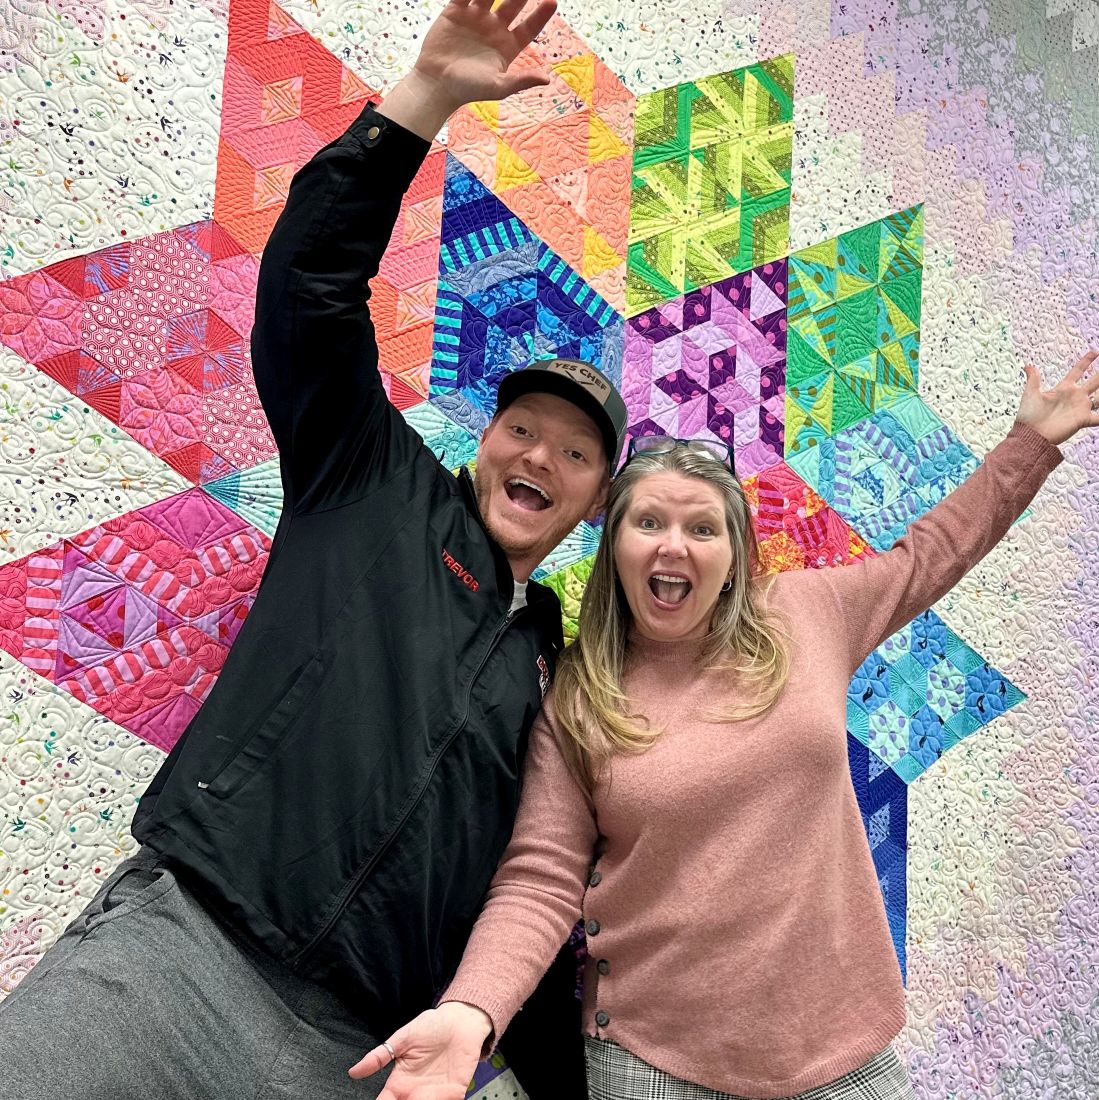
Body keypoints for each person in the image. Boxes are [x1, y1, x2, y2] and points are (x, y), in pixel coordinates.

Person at [0, 1, 626, 1096]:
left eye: (573, 453)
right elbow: (307, 296)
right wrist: (419, 102)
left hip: (357, 1059)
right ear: (482, 445)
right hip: (180, 960)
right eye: (521, 428)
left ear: (592, 503)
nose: (539, 454)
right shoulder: (370, 479)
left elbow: (535, 888)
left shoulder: (560, 674)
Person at [351, 350, 1099, 1100]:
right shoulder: (576, 696)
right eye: (647, 521)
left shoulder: (807, 614)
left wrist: (1028, 445)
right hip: (649, 1059)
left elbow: (926, 557)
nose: (672, 545)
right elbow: (540, 881)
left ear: (735, 556)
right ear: (614, 548)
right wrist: (470, 1010)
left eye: (701, 528)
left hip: (836, 1045)